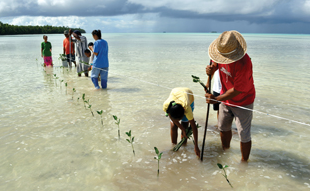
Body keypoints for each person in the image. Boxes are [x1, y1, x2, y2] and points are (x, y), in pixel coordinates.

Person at [205, 30, 255, 162]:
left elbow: (237, 90)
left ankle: (244, 163)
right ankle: (225, 151)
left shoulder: (244, 63)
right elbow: (214, 65)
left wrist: (216, 99)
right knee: (223, 127)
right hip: (225, 98)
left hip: (243, 100)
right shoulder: (219, 53)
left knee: (244, 134)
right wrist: (209, 72)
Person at [163, 87, 200, 158]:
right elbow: (172, 118)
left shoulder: (187, 108)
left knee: (185, 125)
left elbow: (194, 126)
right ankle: (174, 145)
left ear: (184, 111)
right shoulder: (166, 106)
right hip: (175, 91)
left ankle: (184, 146)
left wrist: (196, 146)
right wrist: (181, 128)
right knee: (173, 125)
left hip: (188, 94)